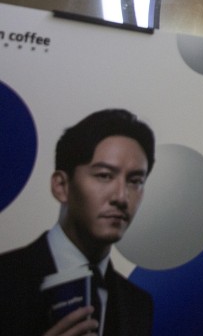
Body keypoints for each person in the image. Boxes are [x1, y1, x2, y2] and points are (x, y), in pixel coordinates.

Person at [0, 109, 156, 336]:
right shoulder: (5, 279)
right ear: (61, 186)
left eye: (135, 181)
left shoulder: (138, 304)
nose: (122, 197)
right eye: (104, 175)